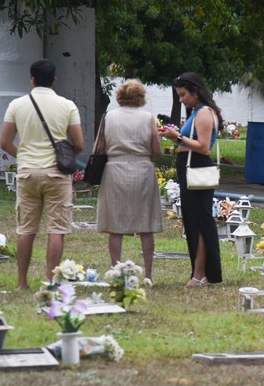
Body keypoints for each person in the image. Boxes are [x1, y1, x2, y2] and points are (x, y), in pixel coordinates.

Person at [0, 59, 84, 291]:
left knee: (26, 229)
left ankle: (22, 283)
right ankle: (50, 281)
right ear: (54, 80)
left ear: (32, 79)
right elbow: (79, 144)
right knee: (56, 228)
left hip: (27, 172)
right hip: (56, 173)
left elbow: (5, 142)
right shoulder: (67, 106)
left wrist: (24, 156)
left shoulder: (16, 105)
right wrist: (64, 156)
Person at [95, 80, 163, 282]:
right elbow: (157, 150)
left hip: (115, 170)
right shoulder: (147, 118)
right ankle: (148, 275)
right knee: (146, 225)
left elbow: (99, 148)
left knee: (115, 225)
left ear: (119, 97)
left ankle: (116, 271)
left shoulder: (109, 117)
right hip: (142, 170)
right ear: (140, 97)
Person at [161, 73, 224, 286]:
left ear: (195, 91)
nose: (181, 99)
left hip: (197, 167)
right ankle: (200, 273)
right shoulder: (197, 111)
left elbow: (204, 147)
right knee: (193, 220)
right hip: (190, 167)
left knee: (199, 222)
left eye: (183, 95)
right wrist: (175, 135)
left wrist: (177, 137)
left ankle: (201, 274)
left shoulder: (204, 112)